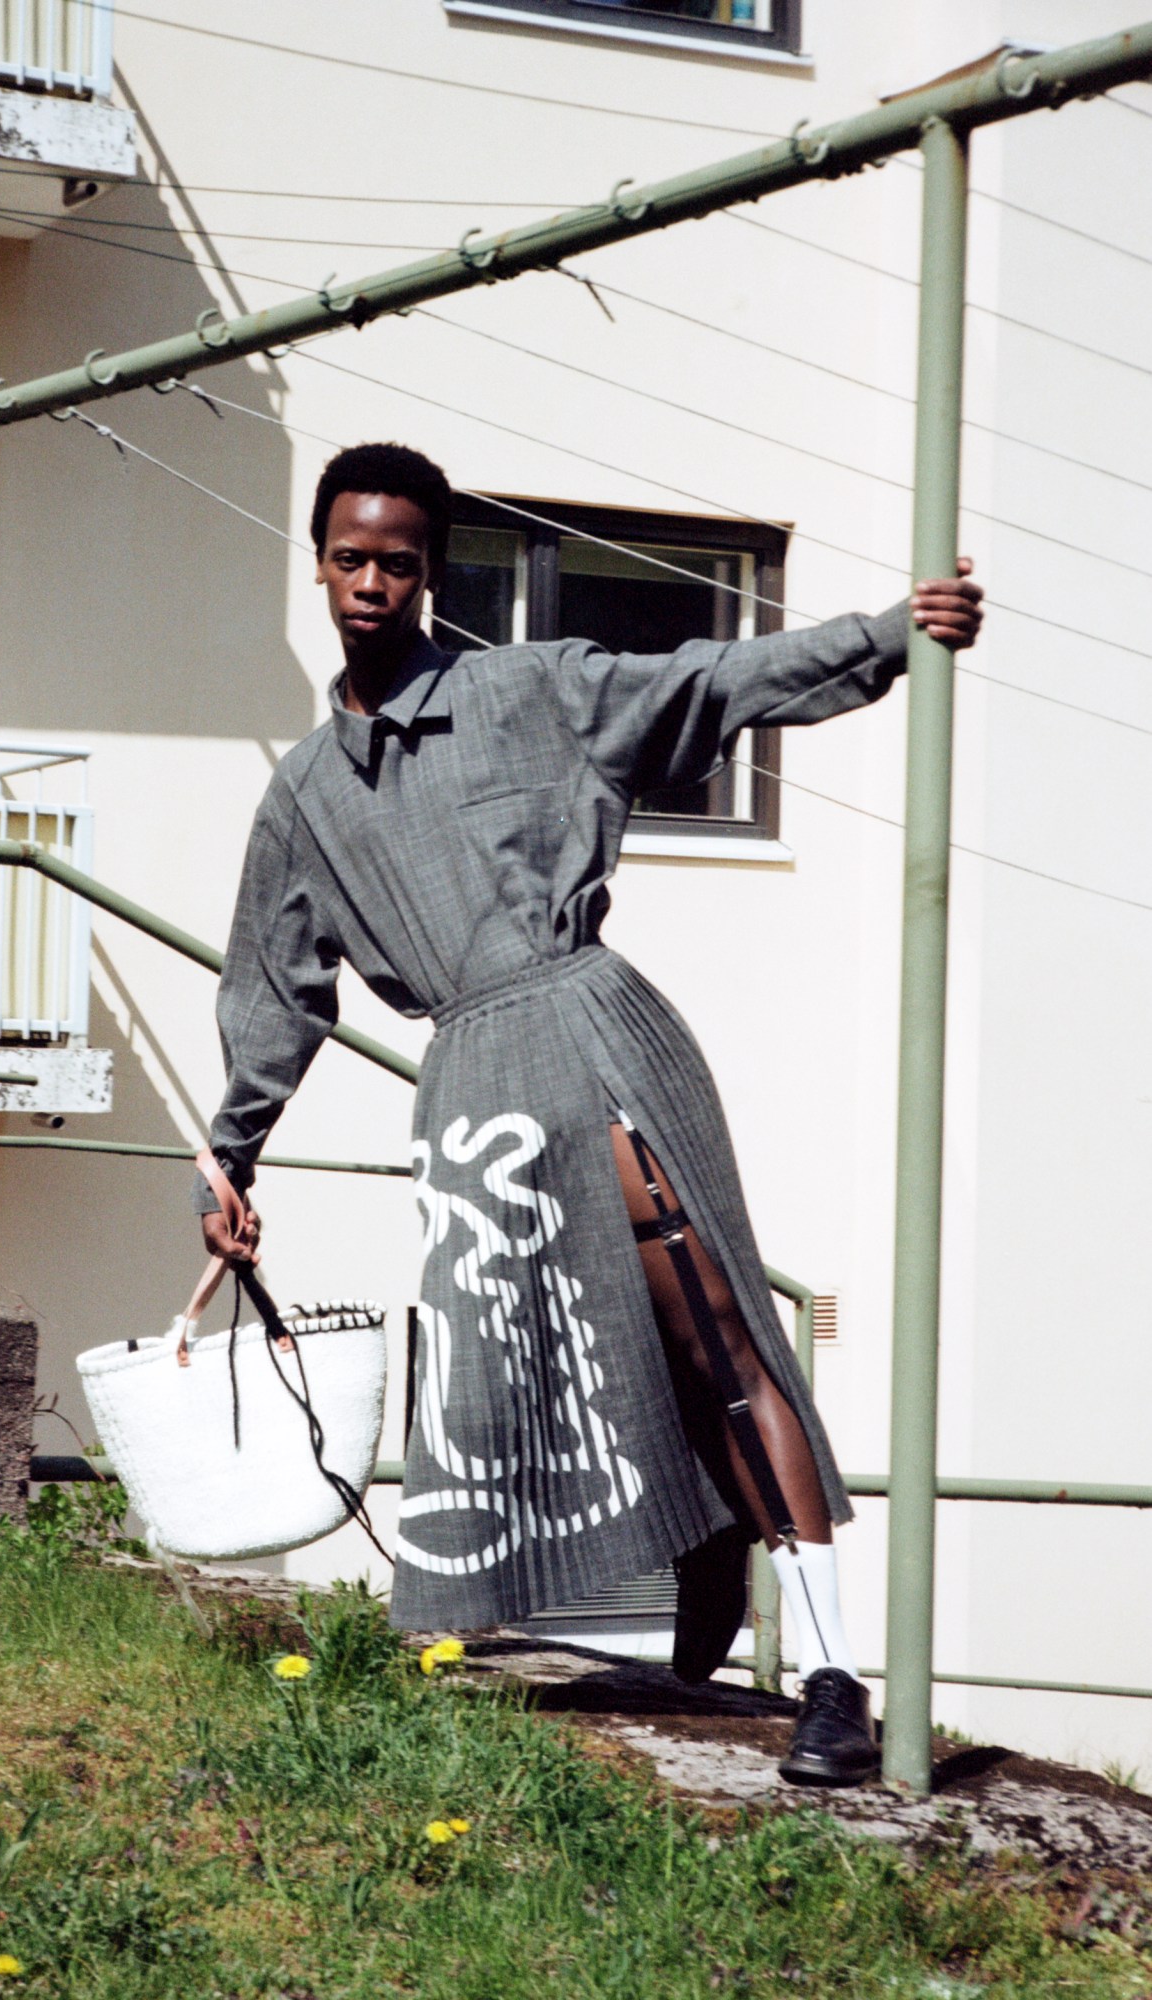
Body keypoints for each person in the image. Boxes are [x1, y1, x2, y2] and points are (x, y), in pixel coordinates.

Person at [196, 441, 984, 1786]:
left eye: (398, 559)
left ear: (432, 571)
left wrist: (889, 636)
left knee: (710, 1320)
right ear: (318, 564)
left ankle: (836, 1680)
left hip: (592, 1028)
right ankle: (697, 1536)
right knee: (526, 1356)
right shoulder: (305, 797)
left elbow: (708, 680)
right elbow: (276, 984)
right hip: (471, 1088)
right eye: (349, 557)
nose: (372, 581)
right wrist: (230, 1156)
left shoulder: (528, 690)